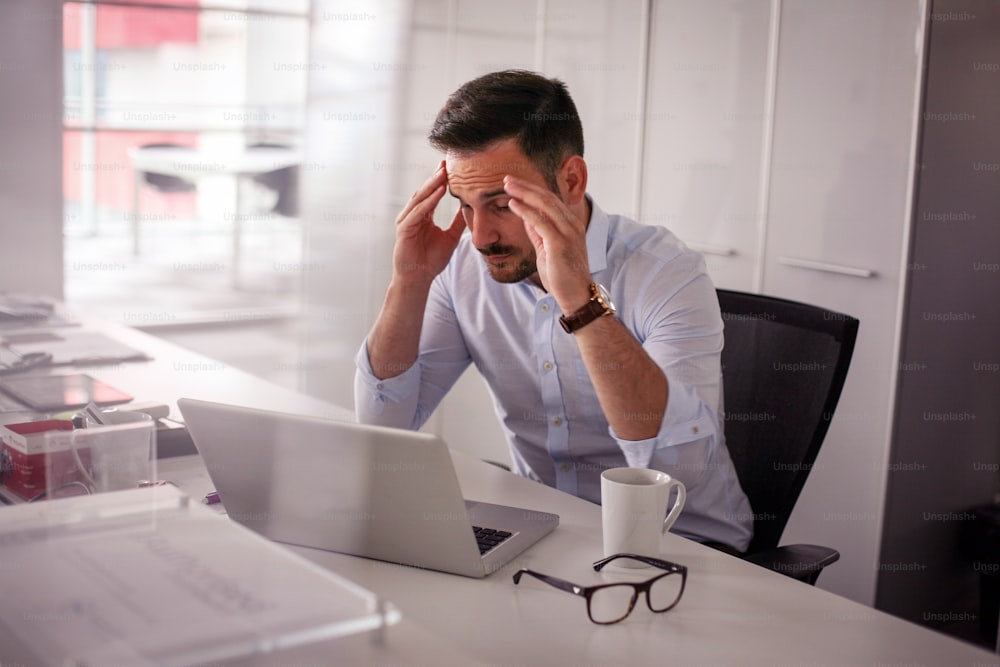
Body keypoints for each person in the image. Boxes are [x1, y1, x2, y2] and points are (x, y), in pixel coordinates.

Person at [354, 69, 752, 553]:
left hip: (683, 545)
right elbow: (383, 429)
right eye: (464, 206)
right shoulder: (464, 265)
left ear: (570, 179)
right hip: (548, 534)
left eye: (501, 205)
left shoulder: (666, 272)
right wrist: (409, 282)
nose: (479, 237)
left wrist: (580, 301)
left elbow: (674, 472)